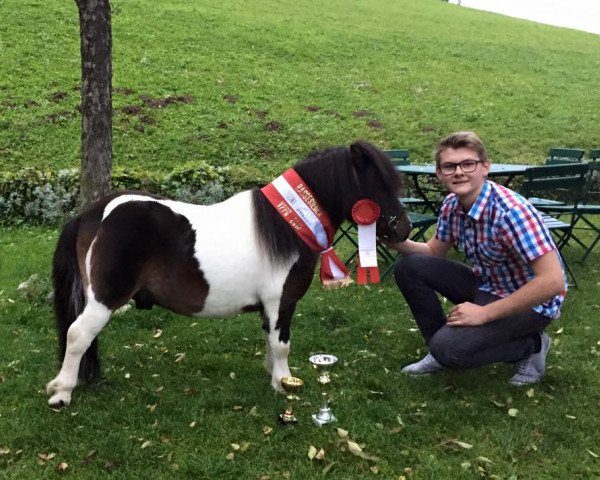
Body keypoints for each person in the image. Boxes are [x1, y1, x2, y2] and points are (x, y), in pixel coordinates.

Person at [389, 131, 566, 386]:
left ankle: (532, 344)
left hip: (533, 303)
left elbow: (553, 282)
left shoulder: (511, 213)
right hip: (488, 285)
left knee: (451, 351)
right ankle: (439, 349)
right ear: (439, 173)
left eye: (468, 164)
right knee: (410, 267)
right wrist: (394, 242)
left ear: (485, 167)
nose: (458, 172)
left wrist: (484, 314)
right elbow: (433, 252)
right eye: (449, 166)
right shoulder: (452, 204)